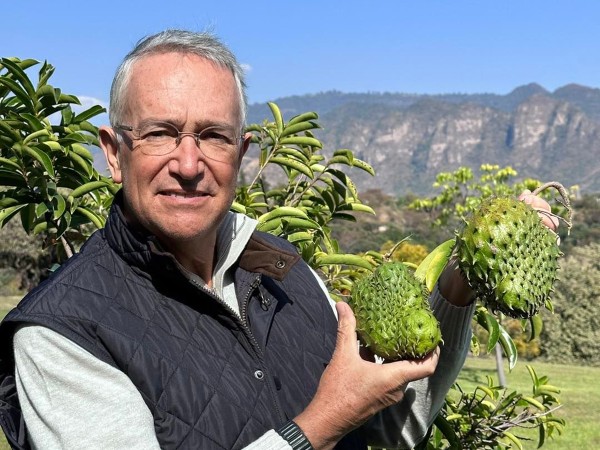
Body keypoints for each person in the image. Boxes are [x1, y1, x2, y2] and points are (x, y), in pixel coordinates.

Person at [0, 29, 559, 450]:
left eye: (213, 136)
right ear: (114, 153)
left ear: (242, 155)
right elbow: (336, 418)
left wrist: (461, 283)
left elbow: (388, 430)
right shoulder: (62, 332)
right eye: (161, 133)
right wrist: (318, 426)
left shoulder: (283, 267)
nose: (189, 164)